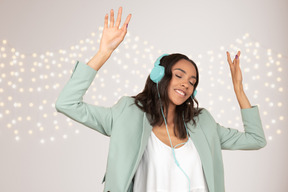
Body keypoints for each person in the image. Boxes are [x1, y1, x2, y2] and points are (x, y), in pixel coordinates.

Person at [55, 7, 267, 192]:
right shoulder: (127, 113)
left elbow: (256, 139)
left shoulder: (203, 123)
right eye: (179, 75)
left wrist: (239, 90)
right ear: (160, 75)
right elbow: (67, 103)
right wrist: (103, 53)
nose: (186, 84)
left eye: (192, 82)